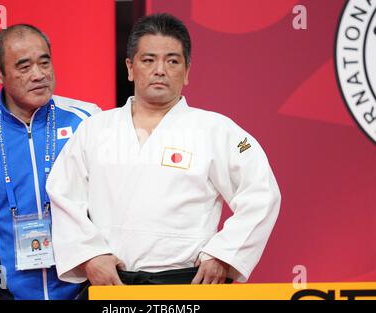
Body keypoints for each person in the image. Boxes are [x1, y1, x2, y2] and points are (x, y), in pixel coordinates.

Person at [46, 13, 281, 294]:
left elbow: (262, 192)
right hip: (112, 282)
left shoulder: (216, 129)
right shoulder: (95, 129)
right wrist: (89, 255)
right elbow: (63, 194)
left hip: (187, 283)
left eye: (172, 61)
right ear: (130, 68)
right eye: (148, 60)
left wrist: (224, 254)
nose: (160, 70)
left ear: (187, 70)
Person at [0, 24, 100, 300]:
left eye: (44, 62)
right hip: (5, 292)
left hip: (83, 290)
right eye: (24, 67)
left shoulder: (87, 120)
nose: (39, 74)